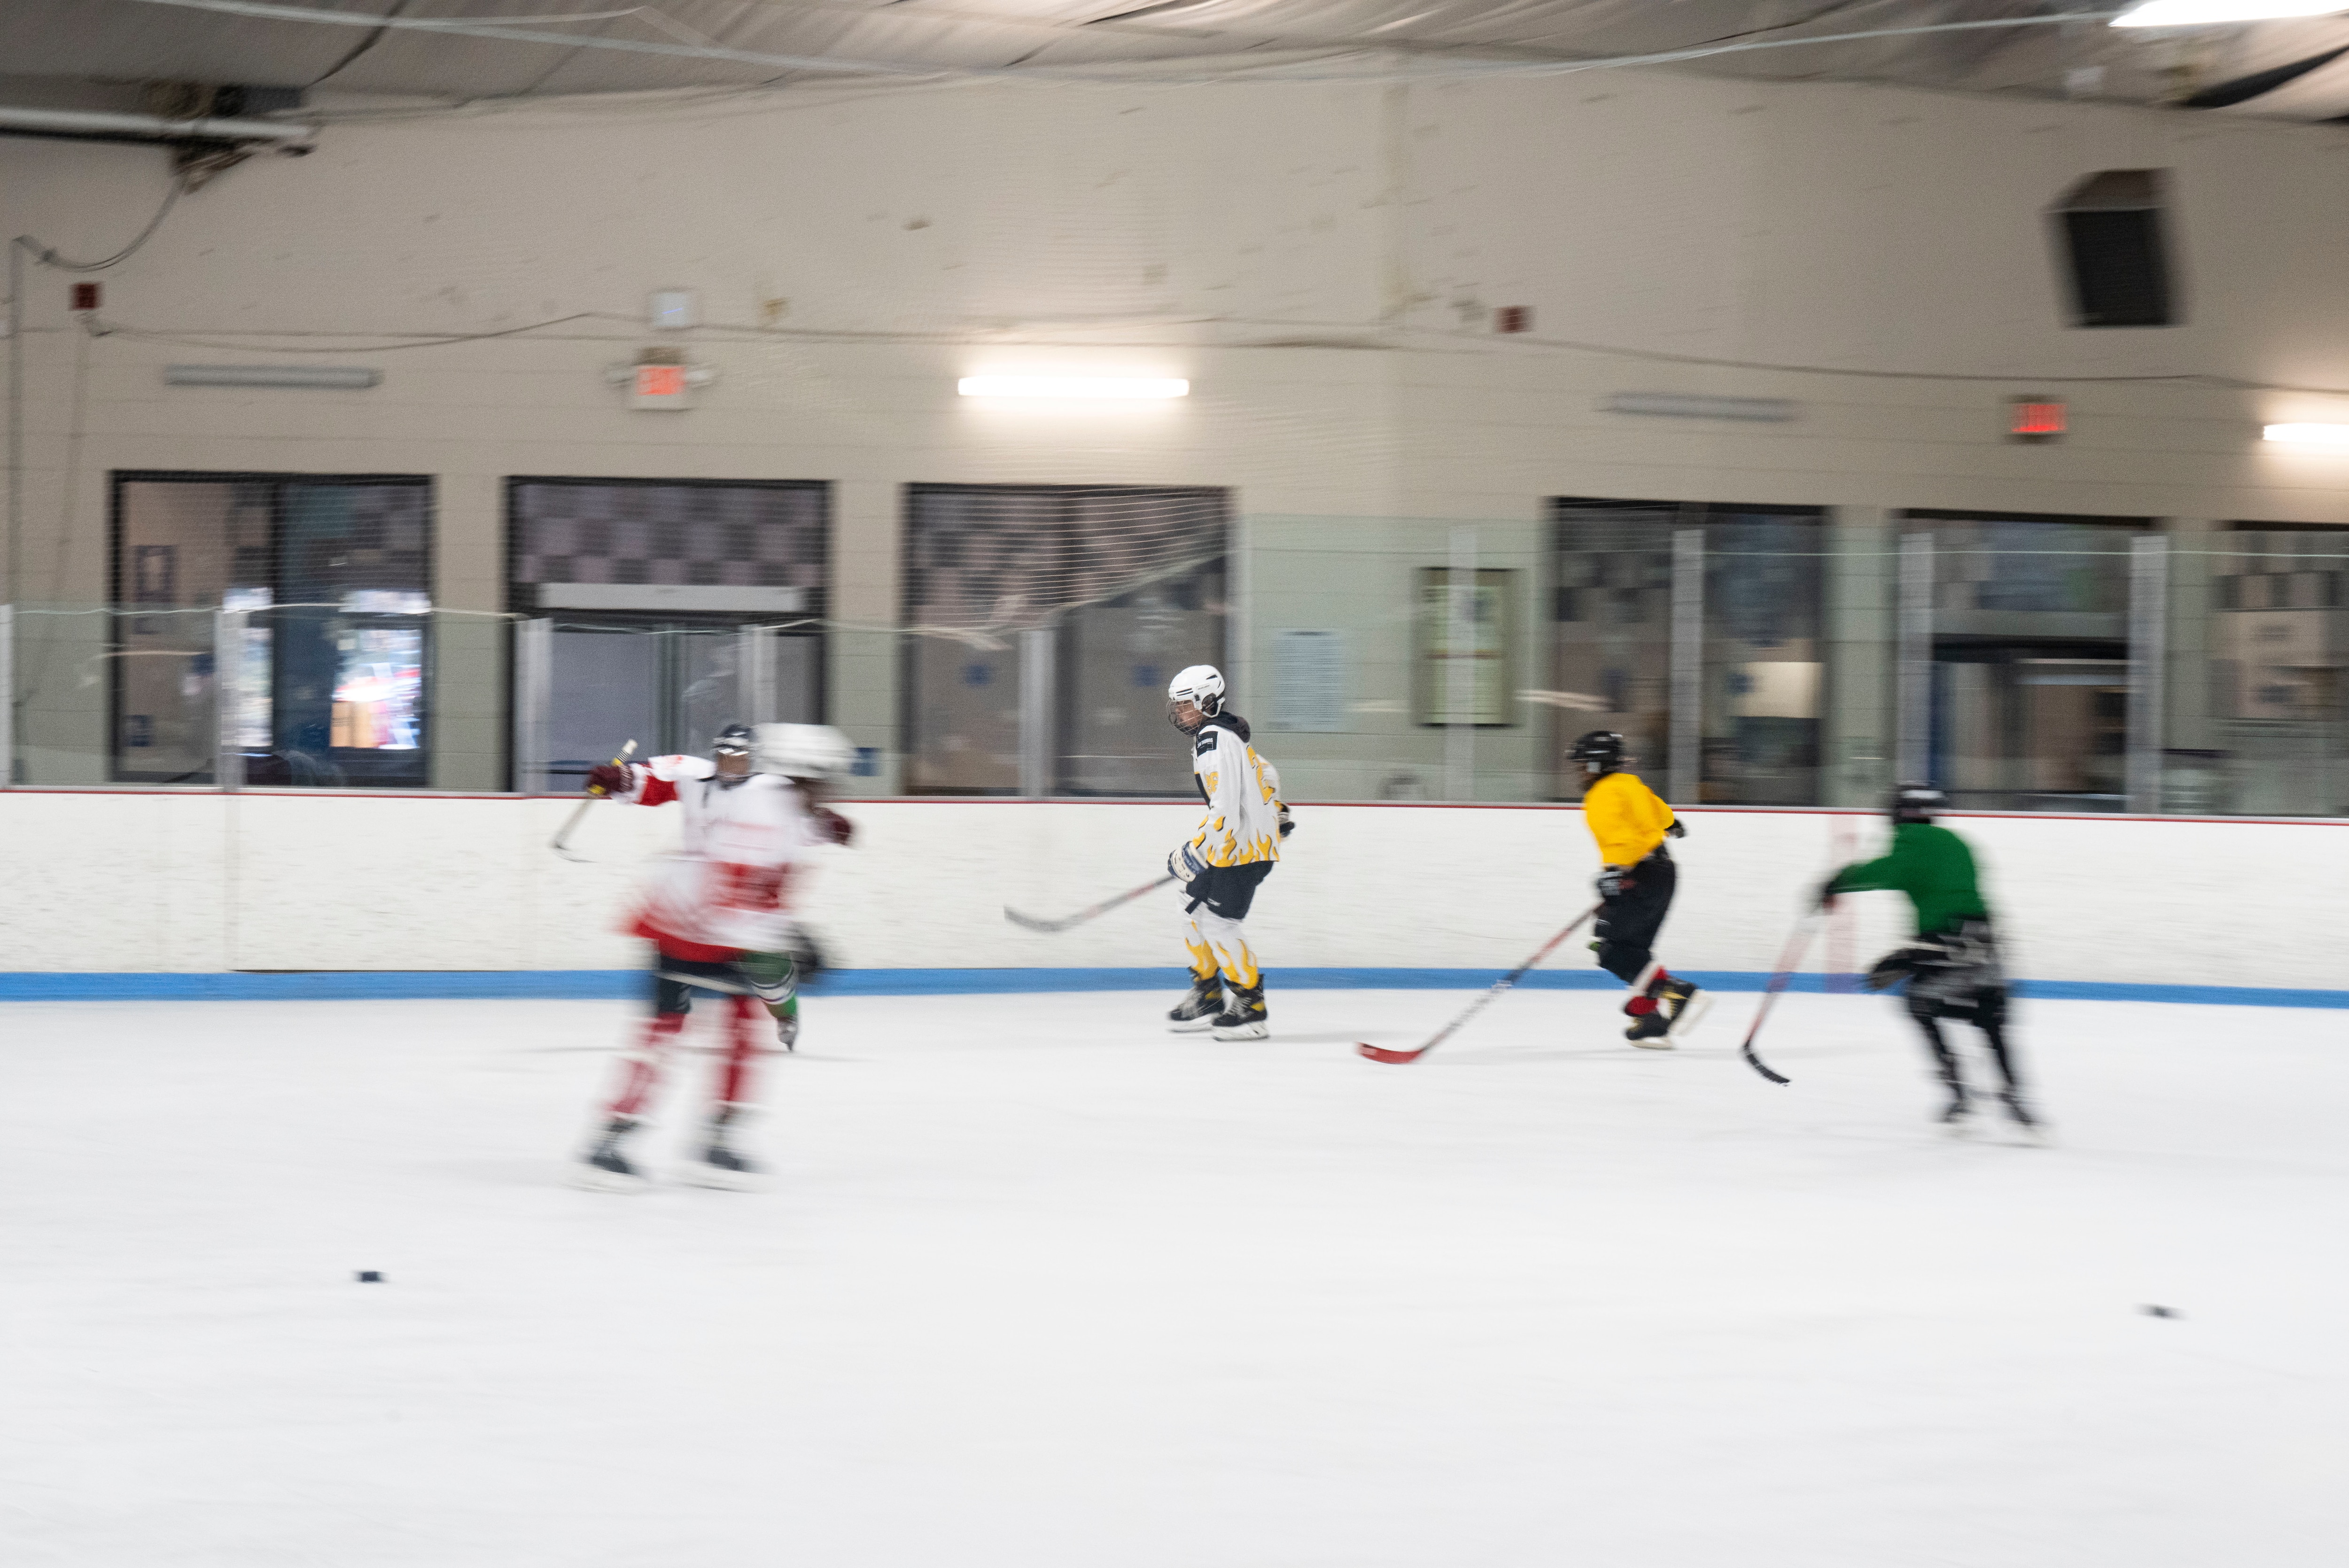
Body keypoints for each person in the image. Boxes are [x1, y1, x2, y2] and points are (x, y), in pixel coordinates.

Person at [574, 722, 856, 1190]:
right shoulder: (752, 807)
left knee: (745, 1031)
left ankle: (716, 1140)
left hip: (727, 936)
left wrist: (828, 827)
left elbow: (795, 844)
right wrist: (622, 781)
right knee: (665, 1035)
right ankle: (609, 1141)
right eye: (820, 781)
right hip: (682, 930)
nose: (827, 790)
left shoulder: (786, 805)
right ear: (796, 777)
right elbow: (728, 883)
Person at [1822, 783, 2038, 1137]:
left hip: (1947, 945)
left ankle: (1958, 1093)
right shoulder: (1960, 843)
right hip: (1989, 945)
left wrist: (1834, 884)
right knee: (1990, 1017)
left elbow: (1883, 872)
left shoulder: (1908, 843)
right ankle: (2016, 1099)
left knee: (1919, 1002)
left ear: (1897, 815)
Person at [1162, 665, 1292, 1040]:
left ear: (1207, 701)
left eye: (1186, 705)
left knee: (1220, 924)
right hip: (1233, 846)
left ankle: (1250, 1007)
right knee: (1189, 904)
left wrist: (1194, 851)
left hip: (1244, 851)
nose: (1180, 713)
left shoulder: (1213, 741)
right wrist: (1276, 811)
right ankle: (1208, 993)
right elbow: (1263, 772)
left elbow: (1225, 812)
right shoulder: (1224, 733)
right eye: (1178, 706)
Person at [1569, 730, 1708, 1046]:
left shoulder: (1601, 794)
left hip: (1638, 874)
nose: (1578, 772)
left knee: (1612, 950)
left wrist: (1614, 872)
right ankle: (1650, 1019)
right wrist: (1671, 823)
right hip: (1664, 873)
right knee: (1633, 950)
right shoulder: (1629, 783)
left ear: (1595, 765)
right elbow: (1658, 811)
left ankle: (1675, 991)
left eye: (1581, 765)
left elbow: (1622, 838)